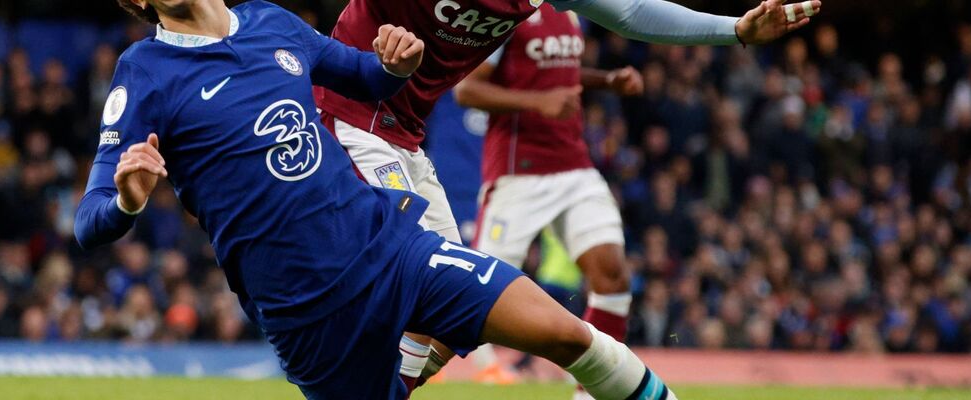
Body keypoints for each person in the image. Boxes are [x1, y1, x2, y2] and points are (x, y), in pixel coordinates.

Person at [80, 0, 686, 399]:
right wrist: (127, 204)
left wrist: (398, 64)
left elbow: (363, 76)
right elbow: (90, 221)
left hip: (391, 249)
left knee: (569, 336)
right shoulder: (145, 72)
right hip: (305, 308)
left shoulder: (270, 23)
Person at [312, 0, 821, 387]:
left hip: (406, 136)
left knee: (446, 318)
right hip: (350, 114)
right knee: (424, 288)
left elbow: (633, 10)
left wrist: (733, 30)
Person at [452, 5, 643, 398]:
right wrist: (539, 103)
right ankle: (403, 371)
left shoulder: (572, 14)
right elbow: (467, 89)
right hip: (518, 173)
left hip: (574, 166)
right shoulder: (505, 12)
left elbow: (559, 76)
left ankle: (590, 393)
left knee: (613, 277)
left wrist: (607, 80)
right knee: (476, 293)